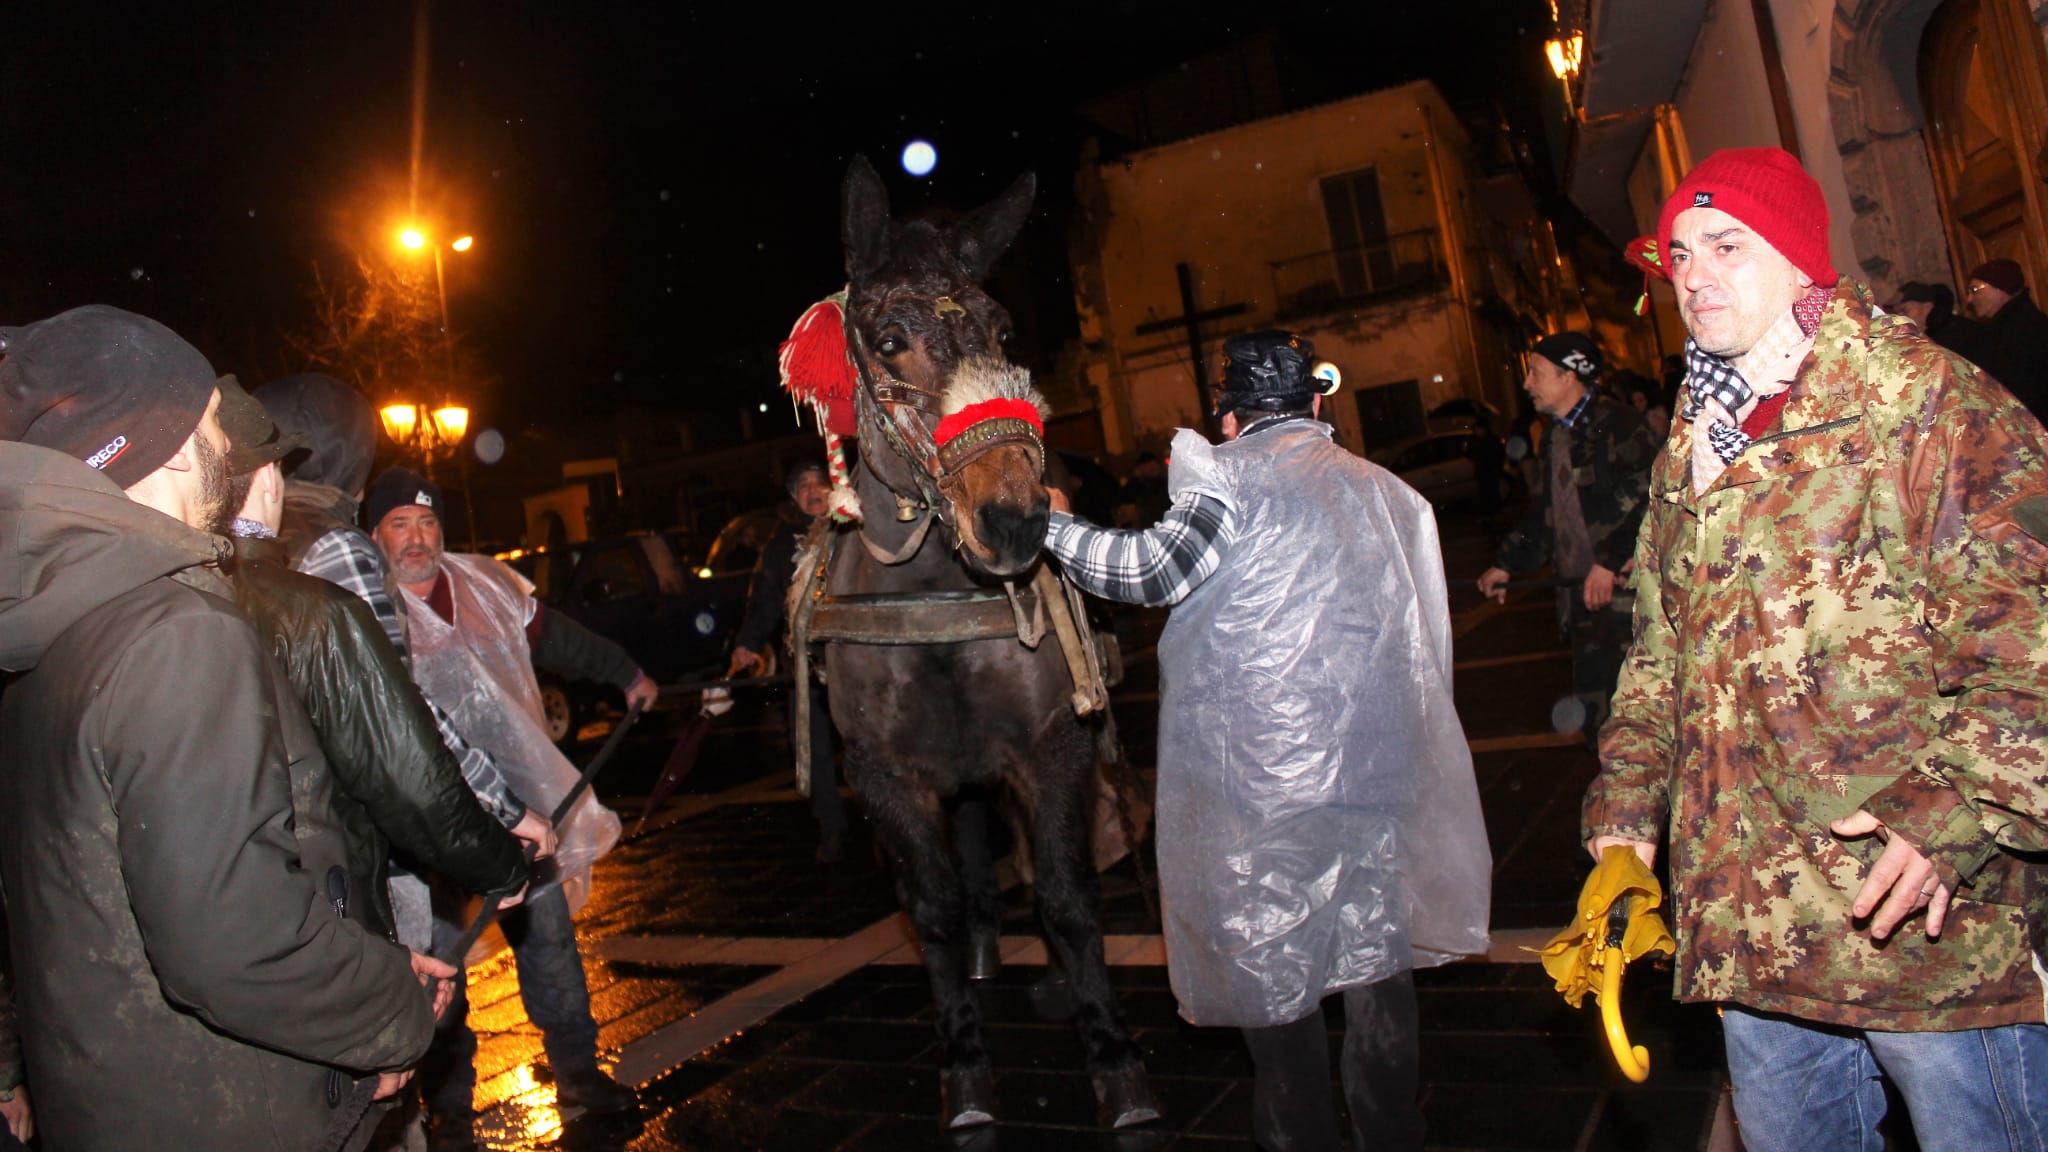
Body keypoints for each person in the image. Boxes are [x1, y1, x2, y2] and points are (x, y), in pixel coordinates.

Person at [1588, 147, 2048, 1151]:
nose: (1693, 275)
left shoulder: (1920, 402)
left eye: (1725, 246)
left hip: (1921, 926)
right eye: (1677, 255)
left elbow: (2030, 644)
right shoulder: (1695, 439)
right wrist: (1624, 815)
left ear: (1799, 257)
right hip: (1758, 926)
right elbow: (1659, 648)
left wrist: (1952, 812)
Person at [0, 305, 439, 1149]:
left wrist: (357, 968)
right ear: (165, 442)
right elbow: (235, 946)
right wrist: (388, 1013)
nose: (228, 444)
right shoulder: (175, 631)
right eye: (211, 419)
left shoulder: (46, 643)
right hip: (234, 1112)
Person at [1041, 330, 1491, 1152]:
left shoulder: (1228, 481)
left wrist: (1054, 527)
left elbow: (1151, 572)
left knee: (1277, 983)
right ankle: (1391, 1135)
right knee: (1375, 973)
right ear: (1316, 402)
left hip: (1262, 800)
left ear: (1228, 416)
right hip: (1377, 784)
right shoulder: (1388, 491)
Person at [366, 467, 654, 1144]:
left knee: (549, 938)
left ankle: (577, 1070)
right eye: (400, 524)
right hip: (429, 823)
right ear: (375, 535)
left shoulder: (486, 583)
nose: (417, 538)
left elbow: (559, 638)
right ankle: (449, 1107)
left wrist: (626, 674)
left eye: (427, 522)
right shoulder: (366, 608)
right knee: (441, 963)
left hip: (521, 811)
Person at [213, 376, 530, 953]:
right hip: (352, 832)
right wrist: (501, 810)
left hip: (281, 837)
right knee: (413, 990)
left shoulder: (241, 549)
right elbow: (391, 707)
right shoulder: (336, 545)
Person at [1477, 333, 1659, 736]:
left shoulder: (1619, 426)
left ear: (1569, 375)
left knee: (1642, 725)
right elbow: (1546, 513)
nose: (1527, 384)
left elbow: (1657, 500)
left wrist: (1610, 561)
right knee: (1599, 724)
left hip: (1628, 605)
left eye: (1536, 373)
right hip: (1582, 604)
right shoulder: (1555, 436)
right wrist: (1507, 564)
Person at [727, 459, 848, 861]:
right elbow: (766, 600)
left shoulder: (852, 530)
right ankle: (831, 827)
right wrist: (747, 643)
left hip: (853, 659)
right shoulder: (781, 545)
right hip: (805, 664)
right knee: (813, 749)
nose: (813, 491)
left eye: (819, 482)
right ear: (794, 498)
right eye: (803, 486)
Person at [1960, 257, 2048, 420]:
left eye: (1975, 290)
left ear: (2000, 288)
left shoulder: (2024, 329)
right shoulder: (2002, 327)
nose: (1969, 299)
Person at [1890, 280, 1982, 358]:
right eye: (1896, 313)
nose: (1899, 318)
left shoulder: (1959, 333)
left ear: (1927, 307)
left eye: (1905, 310)